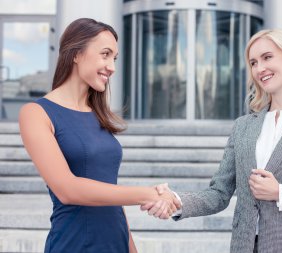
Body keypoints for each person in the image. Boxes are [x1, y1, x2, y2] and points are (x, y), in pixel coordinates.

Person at [141, 29, 282, 253]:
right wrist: (176, 201)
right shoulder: (243, 126)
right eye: (253, 63)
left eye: (267, 57)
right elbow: (218, 194)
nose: (260, 68)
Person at [19, 18, 180, 253]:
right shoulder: (36, 113)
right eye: (105, 54)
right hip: (74, 245)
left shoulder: (98, 116)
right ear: (76, 53)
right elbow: (67, 189)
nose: (112, 67)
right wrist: (148, 194)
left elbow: (109, 193)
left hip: (116, 243)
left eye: (114, 58)